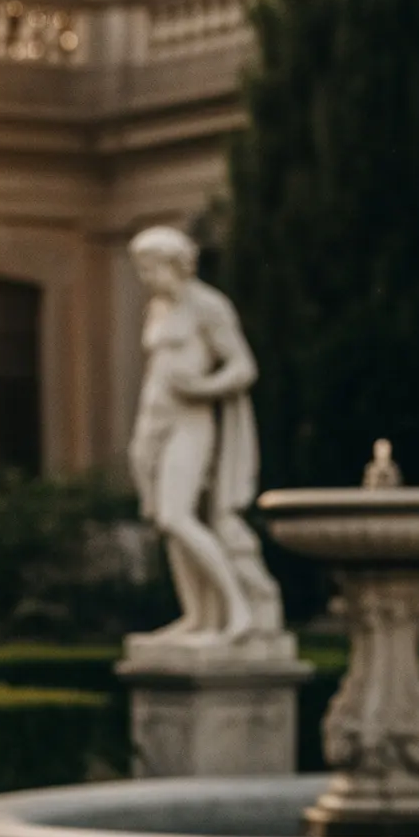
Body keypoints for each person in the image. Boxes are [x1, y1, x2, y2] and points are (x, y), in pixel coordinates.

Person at [127, 226, 284, 642]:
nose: (145, 277)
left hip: (191, 421)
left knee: (177, 516)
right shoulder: (158, 309)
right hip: (155, 422)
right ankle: (199, 618)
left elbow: (242, 366)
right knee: (169, 520)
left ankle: (238, 610)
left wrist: (203, 388)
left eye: (150, 267)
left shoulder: (209, 307)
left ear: (175, 264)